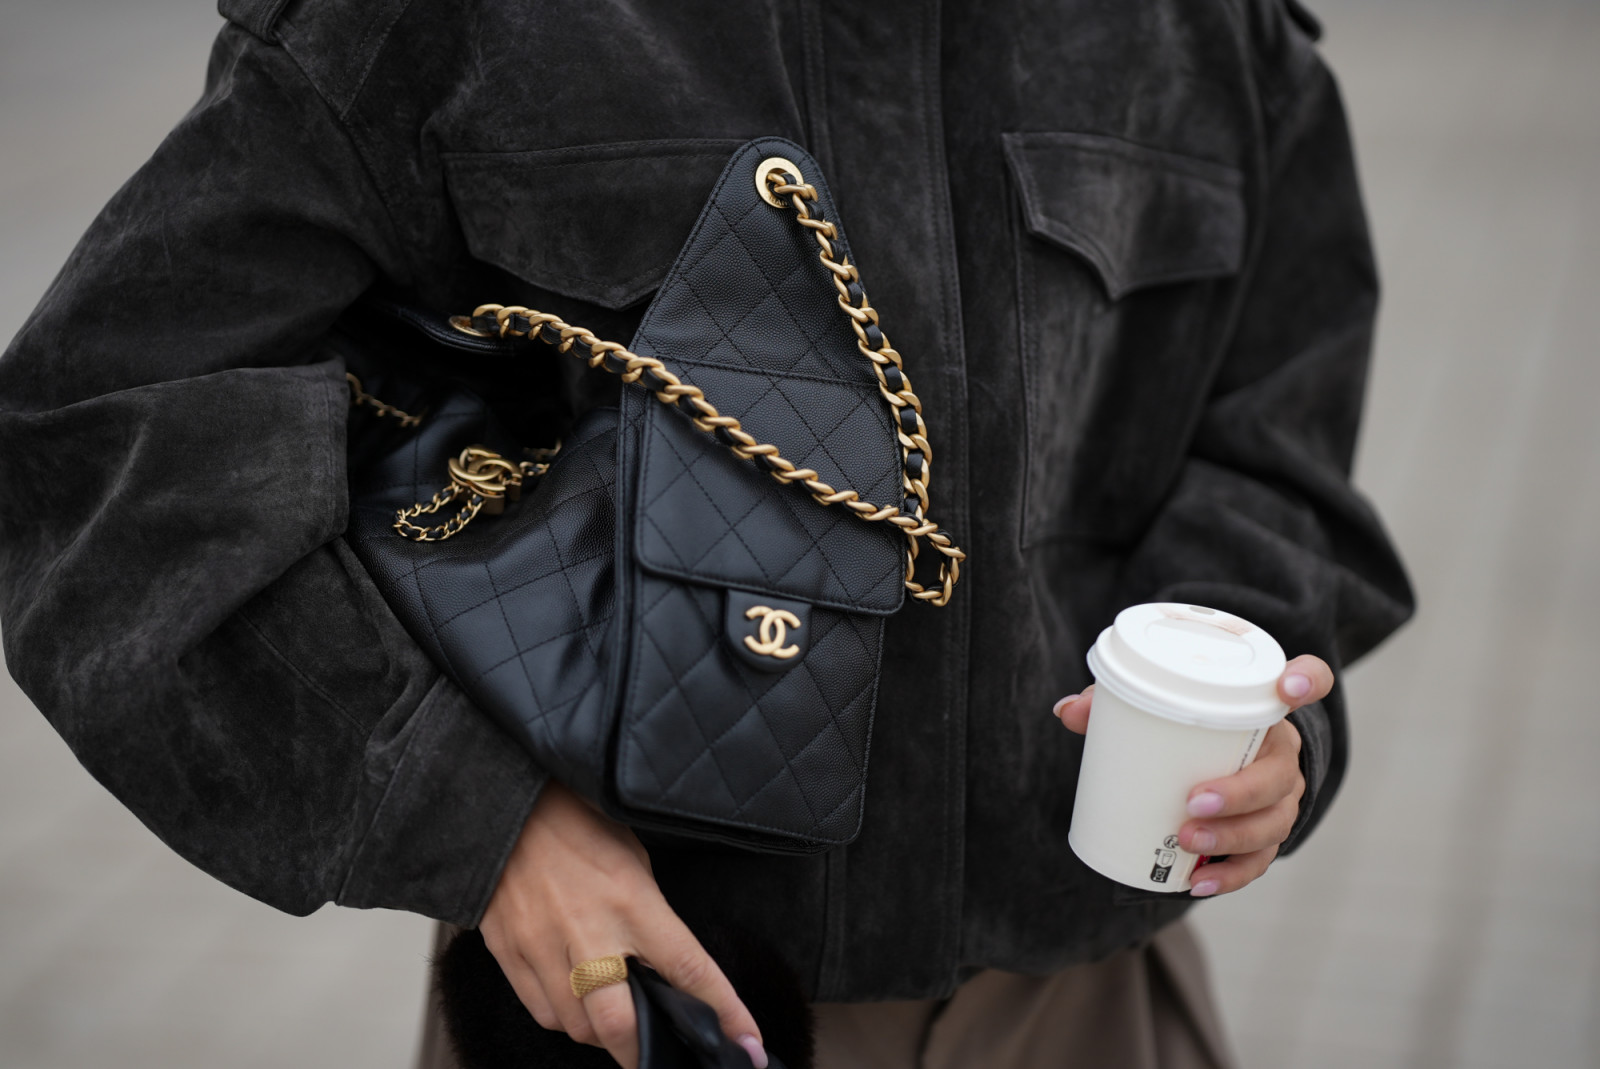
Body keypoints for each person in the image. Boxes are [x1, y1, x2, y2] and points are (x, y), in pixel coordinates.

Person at [0, 2, 1412, 1067]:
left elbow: (1273, 431)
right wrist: (477, 823)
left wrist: (1260, 705)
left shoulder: (1199, 28)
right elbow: (96, 443)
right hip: (633, 1010)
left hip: (1083, 1008)